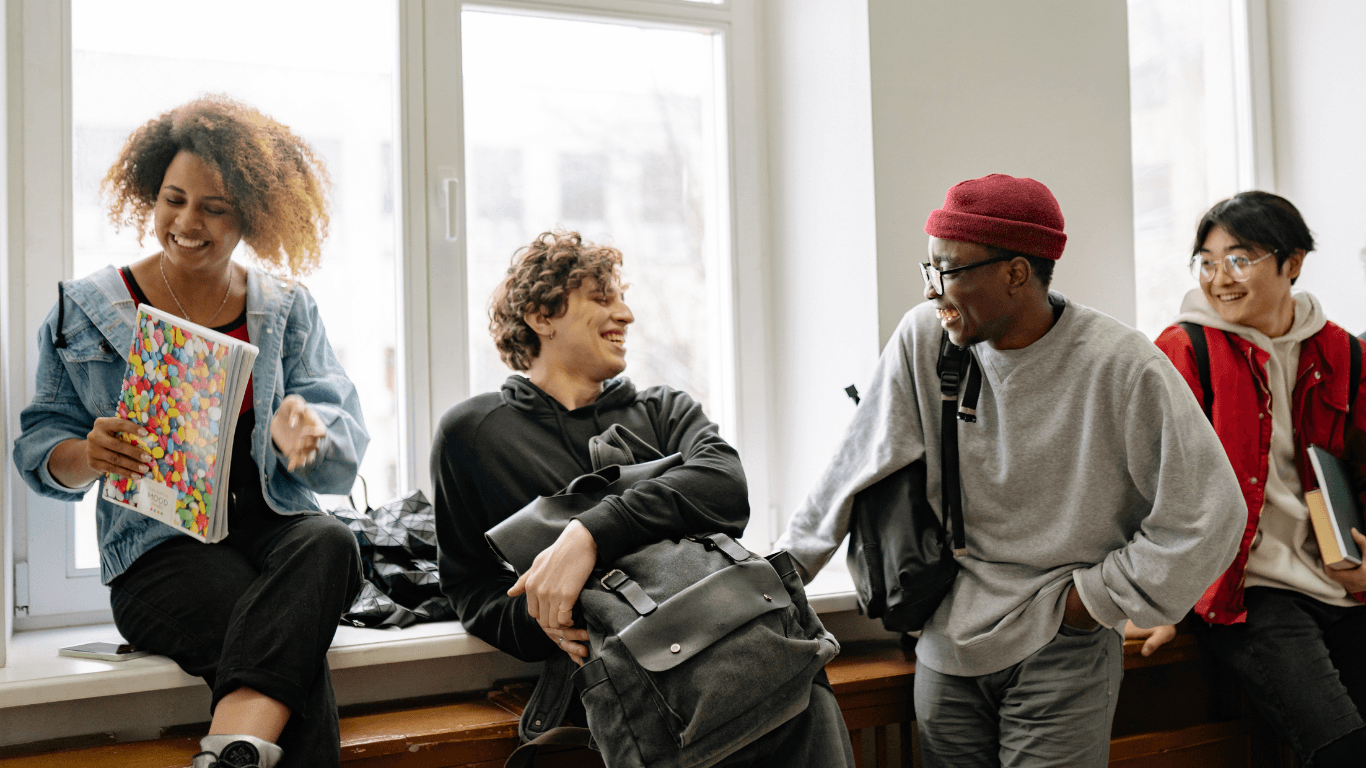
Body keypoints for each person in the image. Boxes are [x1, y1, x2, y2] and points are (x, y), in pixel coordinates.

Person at [777, 174, 1245, 767]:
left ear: (1016, 274)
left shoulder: (1120, 365)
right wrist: (773, 586)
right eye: (929, 270)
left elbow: (1211, 511)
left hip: (1063, 644)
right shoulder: (927, 339)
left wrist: (1096, 598)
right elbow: (853, 467)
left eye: (947, 272)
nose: (931, 291)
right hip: (946, 644)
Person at [12, 96, 367, 768]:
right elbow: (38, 448)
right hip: (160, 555)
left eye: (214, 207)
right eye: (173, 199)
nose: (186, 222)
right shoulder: (84, 314)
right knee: (281, 646)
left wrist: (311, 434)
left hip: (277, 536)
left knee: (330, 538)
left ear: (252, 217)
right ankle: (236, 748)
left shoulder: (288, 310)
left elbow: (338, 446)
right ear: (151, 192)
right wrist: (88, 454)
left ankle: (231, 751)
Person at [432, 230, 855, 766]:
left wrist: (588, 534)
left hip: (766, 667)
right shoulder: (472, 434)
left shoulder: (663, 411)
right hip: (635, 705)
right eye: (603, 298)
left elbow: (725, 485)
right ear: (541, 315)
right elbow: (470, 586)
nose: (626, 314)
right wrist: (550, 619)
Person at [1145, 191, 1366, 767]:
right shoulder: (1184, 348)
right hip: (1248, 590)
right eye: (1209, 261)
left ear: (1292, 263)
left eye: (1239, 259)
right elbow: (1146, 486)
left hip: (1341, 579)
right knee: (1341, 748)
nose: (1221, 278)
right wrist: (1160, 602)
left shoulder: (1344, 352)